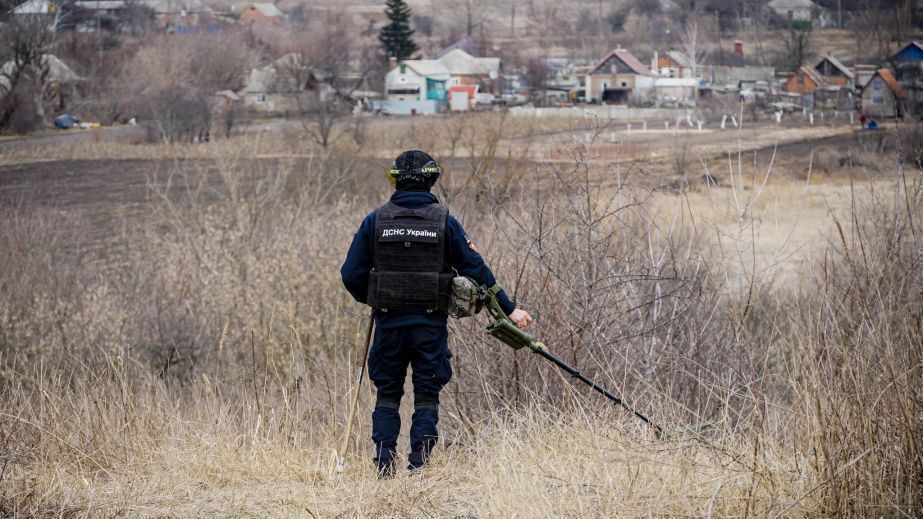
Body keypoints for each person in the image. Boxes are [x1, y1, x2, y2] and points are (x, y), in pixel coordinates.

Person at [340, 150, 532, 478]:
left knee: (388, 394)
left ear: (396, 180)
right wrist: (510, 310)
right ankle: (420, 469)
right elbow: (477, 271)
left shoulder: (375, 221)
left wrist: (375, 297)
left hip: (388, 323)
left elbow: (351, 275)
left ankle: (384, 467)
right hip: (430, 325)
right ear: (431, 180)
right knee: (427, 394)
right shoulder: (445, 221)